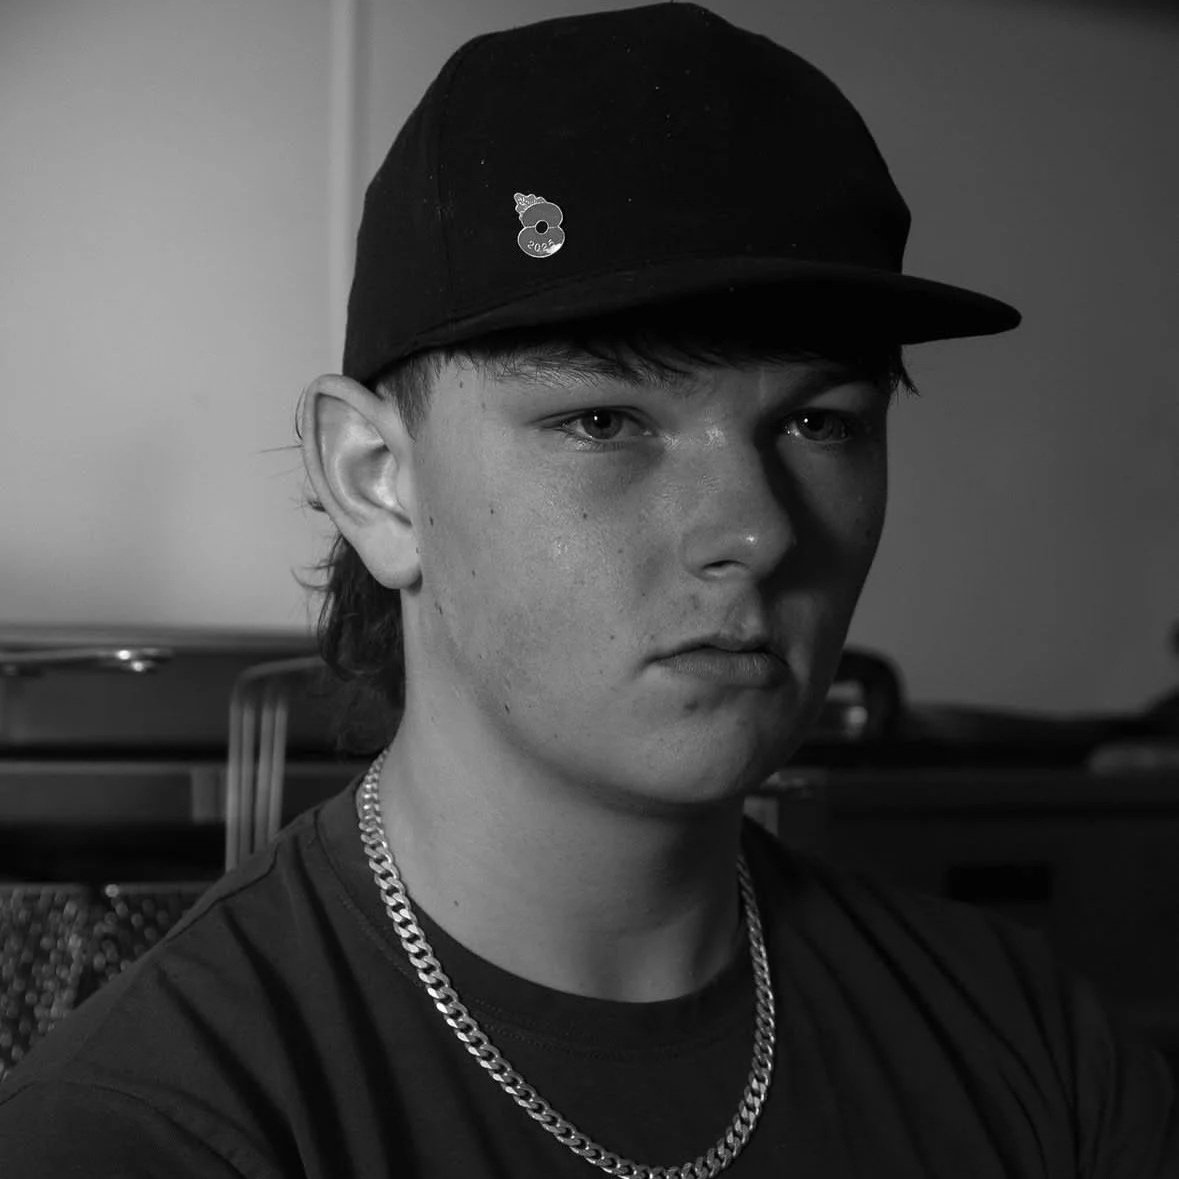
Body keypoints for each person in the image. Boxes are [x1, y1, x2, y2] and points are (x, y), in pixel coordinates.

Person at [0, 3, 1174, 1175]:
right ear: (378, 483)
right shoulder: (153, 1128)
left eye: (820, 421)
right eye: (603, 420)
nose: (759, 530)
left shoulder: (1033, 1049)